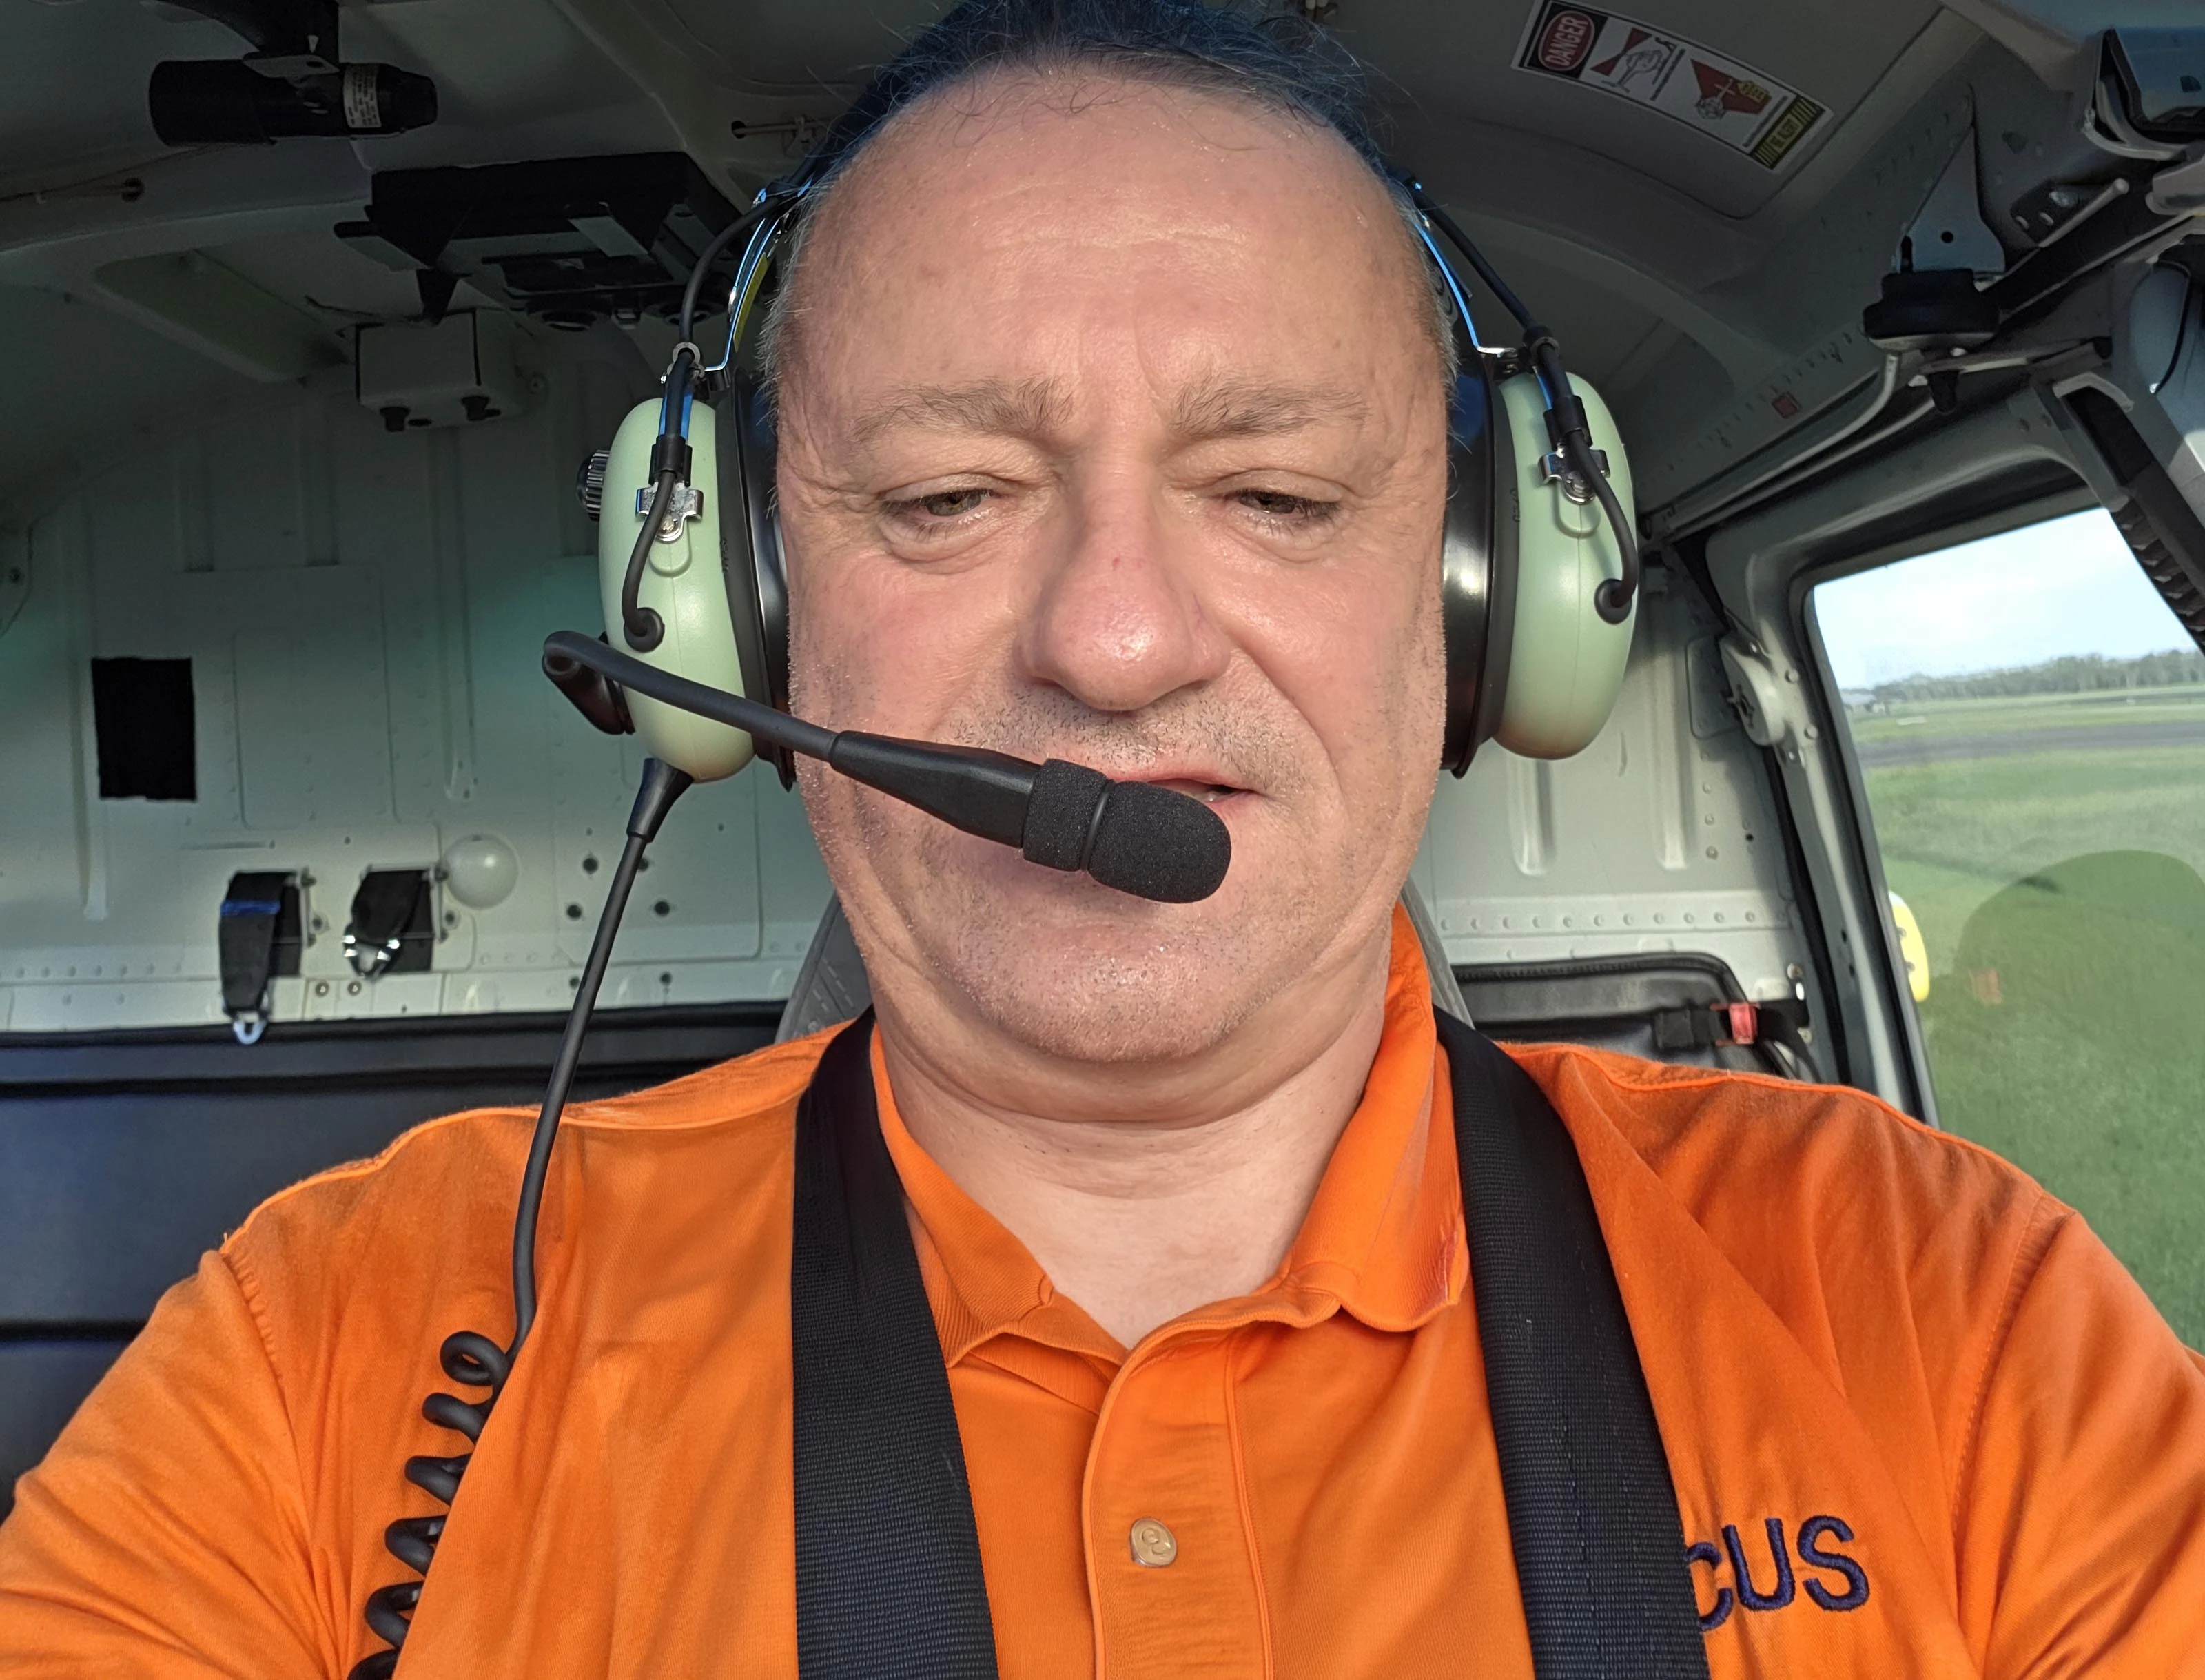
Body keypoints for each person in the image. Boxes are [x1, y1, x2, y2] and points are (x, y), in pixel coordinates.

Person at [3, 1, 2203, 1674]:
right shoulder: (339, 1347)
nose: (1121, 638)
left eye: (1276, 494)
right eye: (949, 498)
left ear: (1482, 604)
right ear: (741, 611)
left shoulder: (1945, 1316)